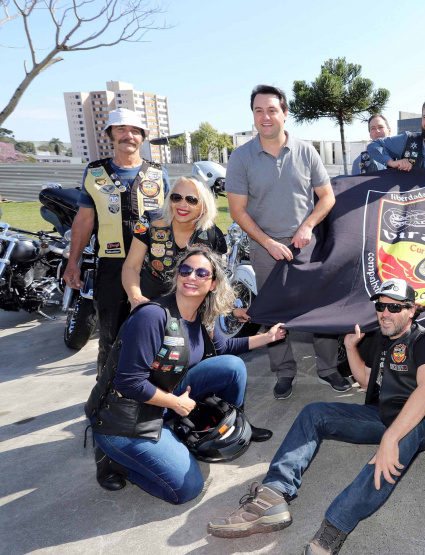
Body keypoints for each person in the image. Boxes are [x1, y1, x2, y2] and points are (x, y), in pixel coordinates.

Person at [207, 278, 425, 555]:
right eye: (381, 306)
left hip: (418, 423)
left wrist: (391, 439)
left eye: (394, 307)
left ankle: (334, 528)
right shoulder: (382, 337)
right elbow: (366, 380)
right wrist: (352, 347)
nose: (385, 313)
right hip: (381, 415)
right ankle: (272, 495)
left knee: (389, 454)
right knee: (314, 412)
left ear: (412, 310)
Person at [85, 247, 283, 503]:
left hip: (165, 394)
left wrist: (268, 337)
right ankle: (116, 460)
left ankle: (231, 424)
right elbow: (128, 382)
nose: (191, 277)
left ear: (213, 284)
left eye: (201, 273)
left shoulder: (203, 314)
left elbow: (224, 349)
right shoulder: (152, 316)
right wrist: (176, 403)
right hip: (125, 415)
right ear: (177, 275)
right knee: (187, 488)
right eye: (185, 270)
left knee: (232, 366)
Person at [227, 84, 350, 399]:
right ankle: (283, 372)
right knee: (274, 312)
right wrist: (267, 242)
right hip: (264, 248)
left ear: (284, 113)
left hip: (306, 245)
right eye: (258, 111)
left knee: (319, 310)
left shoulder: (306, 151)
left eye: (272, 110)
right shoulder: (241, 157)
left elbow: (327, 197)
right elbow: (237, 211)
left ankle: (328, 369)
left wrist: (308, 225)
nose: (265, 117)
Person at [62, 108, 169, 374]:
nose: (128, 135)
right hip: (111, 267)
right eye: (121, 129)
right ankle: (107, 391)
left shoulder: (158, 173)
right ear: (110, 134)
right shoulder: (95, 173)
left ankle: (153, 390)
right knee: (111, 337)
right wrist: (73, 262)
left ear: (143, 137)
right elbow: (84, 221)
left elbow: (171, 220)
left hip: (153, 266)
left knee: (159, 334)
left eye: (135, 131)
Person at [122, 176, 228, 306]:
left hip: (193, 308)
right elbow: (131, 266)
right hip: (150, 303)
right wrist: (136, 298)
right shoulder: (149, 221)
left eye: (191, 200)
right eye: (176, 197)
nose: (182, 204)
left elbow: (219, 280)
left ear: (204, 206)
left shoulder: (213, 234)